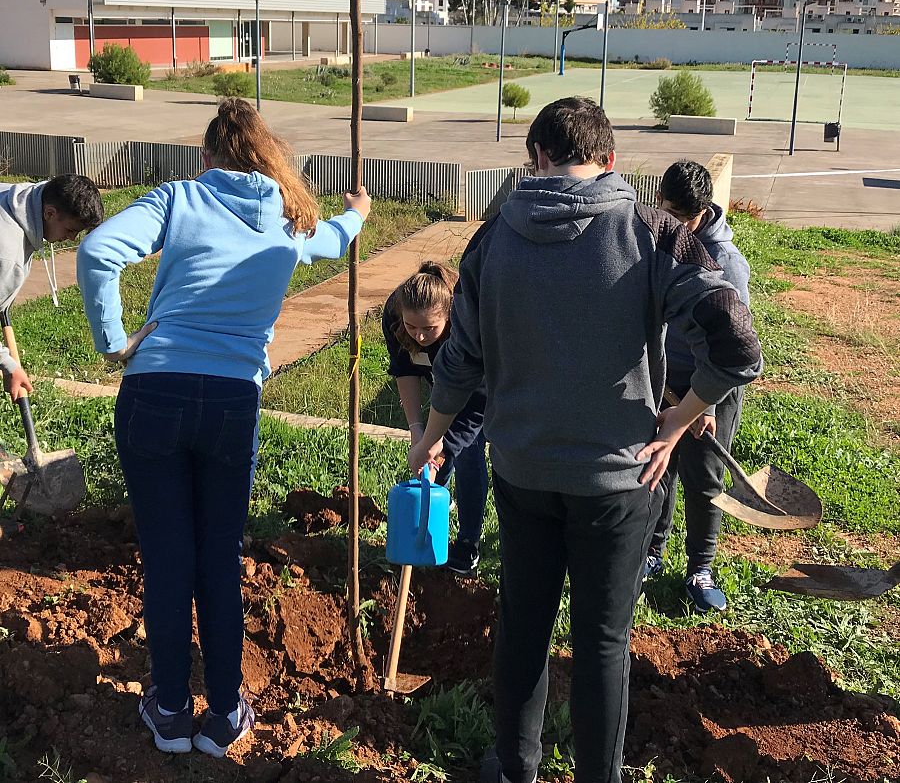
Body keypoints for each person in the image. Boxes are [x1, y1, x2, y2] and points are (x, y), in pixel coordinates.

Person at [407, 97, 762, 783]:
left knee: (523, 626)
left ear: (537, 157)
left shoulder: (491, 238)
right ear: (610, 161)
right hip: (619, 482)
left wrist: (431, 437)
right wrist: (681, 418)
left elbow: (460, 362)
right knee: (602, 643)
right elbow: (738, 343)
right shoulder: (654, 232)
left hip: (523, 473)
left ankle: (515, 768)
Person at [77, 98, 371, 758]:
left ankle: (170, 710)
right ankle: (226, 711)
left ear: (206, 157)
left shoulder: (181, 197)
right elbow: (334, 240)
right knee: (218, 557)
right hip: (232, 402)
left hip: (155, 392)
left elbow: (97, 250)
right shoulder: (290, 218)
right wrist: (358, 212)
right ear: (267, 159)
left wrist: (113, 341)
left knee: (167, 556)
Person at [644, 159, 752, 613]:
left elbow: (731, 348)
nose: (674, 225)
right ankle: (652, 551)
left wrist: (704, 405)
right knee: (660, 468)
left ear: (702, 213)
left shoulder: (726, 262)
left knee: (704, 476)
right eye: (668, 213)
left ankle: (700, 568)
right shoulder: (658, 238)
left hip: (712, 386)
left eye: (683, 219)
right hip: (668, 377)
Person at [382, 261, 488, 574]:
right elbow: (404, 370)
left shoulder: (468, 324)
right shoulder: (395, 316)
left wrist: (443, 444)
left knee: (467, 452)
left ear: (448, 316)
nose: (419, 335)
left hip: (482, 388)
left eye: (429, 329)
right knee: (432, 445)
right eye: (412, 327)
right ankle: (431, 513)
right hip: (443, 380)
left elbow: (478, 400)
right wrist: (418, 432)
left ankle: (468, 543)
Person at [0, 174, 104, 400]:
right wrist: (8, 365)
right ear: (49, 213)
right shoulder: (7, 256)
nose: (72, 239)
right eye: (70, 230)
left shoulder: (24, 197)